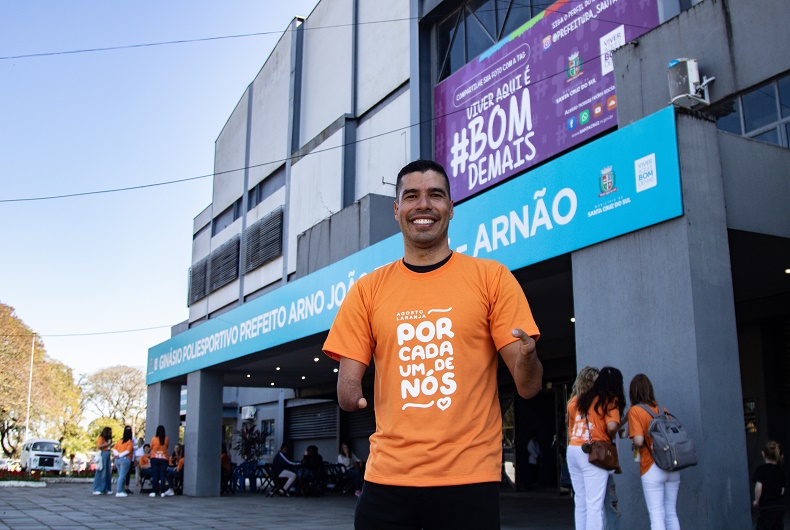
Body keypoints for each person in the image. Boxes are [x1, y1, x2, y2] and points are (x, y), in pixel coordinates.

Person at [323, 159, 542, 529]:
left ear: (451, 208)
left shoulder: (492, 278)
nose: (423, 204)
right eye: (411, 196)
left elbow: (529, 386)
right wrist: (350, 393)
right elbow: (347, 385)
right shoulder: (367, 290)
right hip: (387, 477)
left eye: (435, 195)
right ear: (396, 209)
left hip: (469, 478)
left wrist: (528, 357)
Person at [567, 366, 624, 530]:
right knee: (594, 504)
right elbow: (611, 426)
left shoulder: (578, 400)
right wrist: (613, 430)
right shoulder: (609, 399)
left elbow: (572, 428)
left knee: (580, 500)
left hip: (574, 449)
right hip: (593, 452)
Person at [627, 373, 680, 530]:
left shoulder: (635, 411)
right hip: (672, 465)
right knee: (671, 513)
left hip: (652, 466)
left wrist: (634, 443)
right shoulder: (662, 409)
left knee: (657, 515)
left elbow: (638, 440)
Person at [752, 440, 785, 530]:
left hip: (766, 506)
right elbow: (782, 490)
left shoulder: (761, 469)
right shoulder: (781, 471)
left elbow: (759, 487)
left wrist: (756, 500)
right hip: (779, 506)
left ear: (763, 454)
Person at [149, 425, 173, 498]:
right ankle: (162, 491)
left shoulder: (154, 439)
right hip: (164, 459)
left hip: (155, 458)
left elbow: (151, 447)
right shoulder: (166, 439)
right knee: (163, 475)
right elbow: (167, 446)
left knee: (155, 475)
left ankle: (153, 491)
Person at [112, 426, 134, 497]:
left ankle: (122, 490)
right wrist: (120, 455)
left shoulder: (119, 441)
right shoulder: (130, 442)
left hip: (117, 460)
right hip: (125, 459)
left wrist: (117, 455)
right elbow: (128, 451)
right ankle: (119, 491)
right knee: (122, 476)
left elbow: (114, 449)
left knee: (120, 475)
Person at [92, 427, 112, 495]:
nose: (110, 434)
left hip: (107, 453)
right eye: (109, 432)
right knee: (102, 471)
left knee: (107, 472)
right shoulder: (101, 438)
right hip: (103, 453)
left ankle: (107, 488)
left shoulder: (107, 439)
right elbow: (99, 446)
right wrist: (108, 444)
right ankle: (98, 488)